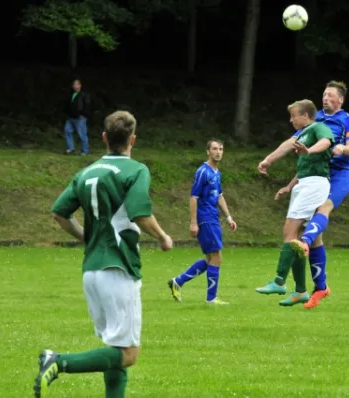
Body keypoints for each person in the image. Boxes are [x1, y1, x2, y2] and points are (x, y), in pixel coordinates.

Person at [34, 110, 173, 398]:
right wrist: (163, 236)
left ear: (104, 138)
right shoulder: (136, 170)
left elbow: (59, 213)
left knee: (116, 347)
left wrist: (87, 237)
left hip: (92, 271)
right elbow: (141, 214)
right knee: (129, 353)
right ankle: (58, 362)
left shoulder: (86, 172)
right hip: (119, 268)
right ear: (133, 139)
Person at [257, 81, 349, 309]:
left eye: (330, 95)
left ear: (340, 100)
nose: (325, 98)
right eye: (324, 95)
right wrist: (275, 166)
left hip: (340, 174)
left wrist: (341, 148)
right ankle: (318, 287)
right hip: (317, 175)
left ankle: (302, 245)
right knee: (315, 233)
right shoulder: (316, 121)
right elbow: (298, 150)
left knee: (321, 212)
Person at [255, 99, 335, 306]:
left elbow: (326, 142)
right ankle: (300, 291)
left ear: (306, 116)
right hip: (304, 184)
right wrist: (269, 161)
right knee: (297, 239)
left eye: (294, 116)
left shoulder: (319, 127)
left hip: (314, 185)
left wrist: (310, 150)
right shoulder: (301, 134)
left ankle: (280, 280)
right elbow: (287, 147)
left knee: (289, 233)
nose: (291, 120)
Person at [168, 139, 237, 305]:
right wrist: (194, 222)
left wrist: (228, 217)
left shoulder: (217, 173)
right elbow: (194, 197)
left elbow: (219, 196)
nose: (218, 152)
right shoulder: (203, 171)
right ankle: (211, 298)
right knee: (217, 257)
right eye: (215, 149)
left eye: (221, 149)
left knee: (210, 259)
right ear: (208, 151)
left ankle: (178, 281)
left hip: (213, 217)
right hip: (205, 218)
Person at [64, 78, 91, 155]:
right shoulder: (71, 94)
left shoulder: (84, 95)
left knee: (82, 134)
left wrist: (84, 115)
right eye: (73, 84)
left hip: (80, 118)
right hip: (71, 117)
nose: (74, 86)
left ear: (80, 85)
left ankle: (84, 151)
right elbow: (68, 105)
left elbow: (87, 106)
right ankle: (71, 148)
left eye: (76, 84)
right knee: (67, 130)